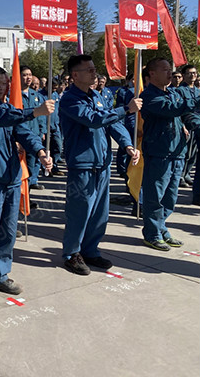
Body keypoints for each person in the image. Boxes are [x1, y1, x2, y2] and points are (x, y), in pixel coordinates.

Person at [0, 66, 54, 300]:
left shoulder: (8, 109)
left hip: (12, 178)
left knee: (8, 231)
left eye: (4, 83)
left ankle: (1, 274)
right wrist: (35, 112)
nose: (2, 88)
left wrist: (40, 151)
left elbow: (23, 133)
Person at [59, 55, 141, 275]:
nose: (94, 73)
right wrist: (126, 109)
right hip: (83, 164)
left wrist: (127, 145)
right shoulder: (69, 100)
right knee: (80, 212)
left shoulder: (97, 96)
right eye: (89, 70)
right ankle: (72, 254)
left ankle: (90, 250)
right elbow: (93, 120)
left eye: (94, 69)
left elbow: (113, 123)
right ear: (75, 75)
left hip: (102, 162)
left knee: (99, 213)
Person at [140, 58, 200, 250]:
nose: (170, 74)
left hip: (177, 151)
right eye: (165, 70)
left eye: (170, 70)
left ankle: (161, 228)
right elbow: (172, 109)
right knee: (155, 196)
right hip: (159, 152)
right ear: (152, 74)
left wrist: (195, 123)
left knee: (170, 197)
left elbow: (186, 114)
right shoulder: (148, 96)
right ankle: (152, 233)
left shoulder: (173, 93)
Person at [20, 66, 47, 190]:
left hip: (34, 134)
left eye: (30, 75)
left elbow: (41, 116)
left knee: (33, 164)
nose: (28, 77)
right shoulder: (13, 94)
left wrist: (42, 131)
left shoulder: (35, 95)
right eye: (25, 75)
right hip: (20, 137)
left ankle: (30, 189)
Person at [178, 64, 198, 187]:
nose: (192, 75)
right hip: (186, 125)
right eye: (189, 73)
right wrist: (183, 126)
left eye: (194, 73)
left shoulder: (197, 90)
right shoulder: (180, 90)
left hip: (197, 125)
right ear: (184, 75)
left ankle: (187, 174)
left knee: (194, 153)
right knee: (186, 152)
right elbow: (178, 111)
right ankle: (180, 175)